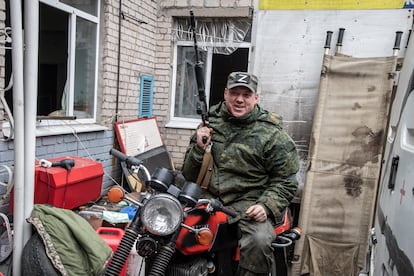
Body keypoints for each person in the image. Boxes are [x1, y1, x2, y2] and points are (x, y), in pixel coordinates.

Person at [181, 71, 300, 276]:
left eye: (246, 94)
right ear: (226, 94)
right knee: (169, 227)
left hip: (249, 204)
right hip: (210, 199)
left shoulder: (271, 133)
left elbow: (286, 180)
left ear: (256, 98)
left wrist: (266, 205)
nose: (239, 99)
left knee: (259, 242)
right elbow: (189, 174)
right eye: (235, 93)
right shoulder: (211, 122)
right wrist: (199, 148)